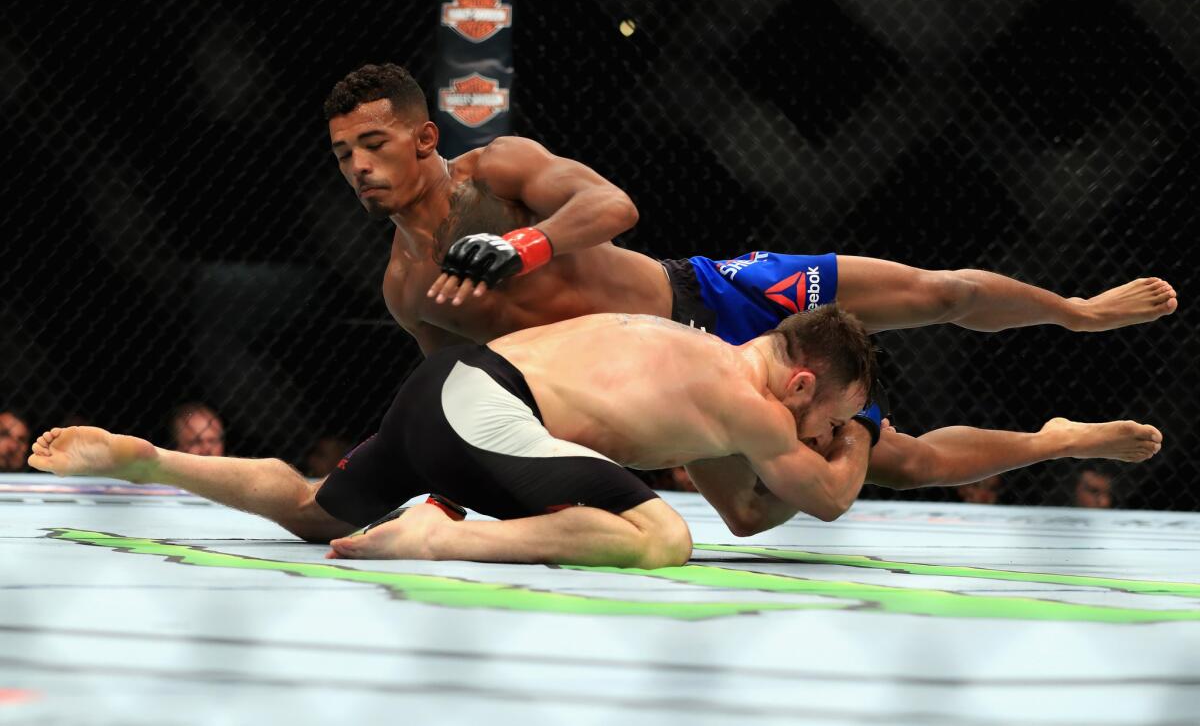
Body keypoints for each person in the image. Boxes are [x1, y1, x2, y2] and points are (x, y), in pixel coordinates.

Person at [323, 63, 1176, 495]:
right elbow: (458, 387)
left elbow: (614, 205)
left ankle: (1075, 311)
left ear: (425, 138)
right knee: (896, 466)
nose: (359, 167)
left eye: (373, 144)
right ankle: (1060, 437)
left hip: (708, 293)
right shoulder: (405, 287)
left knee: (934, 291)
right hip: (674, 382)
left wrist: (527, 246)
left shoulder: (498, 171)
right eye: (343, 155)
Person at [29, 309, 1163, 567]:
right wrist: (858, 435)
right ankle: (431, 542)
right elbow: (819, 500)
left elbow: (752, 507)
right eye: (833, 412)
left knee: (308, 501)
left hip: (453, 394)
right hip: (483, 415)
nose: (827, 433)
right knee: (654, 535)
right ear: (809, 379)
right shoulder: (744, 398)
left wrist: (1043, 435)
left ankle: (150, 457)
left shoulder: (706, 369)